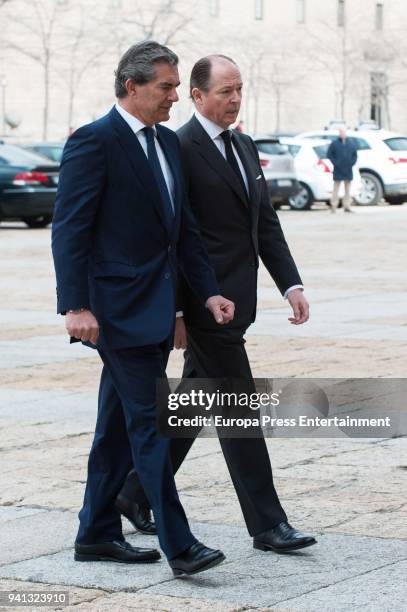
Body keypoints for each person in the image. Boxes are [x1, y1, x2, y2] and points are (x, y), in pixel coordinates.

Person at [116, 54, 317, 554]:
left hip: (237, 302)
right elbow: (173, 234)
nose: (235, 100)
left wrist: (289, 284)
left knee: (194, 401)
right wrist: (180, 310)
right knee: (238, 408)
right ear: (198, 96)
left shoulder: (245, 146)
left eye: (240, 90)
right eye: (225, 91)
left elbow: (263, 224)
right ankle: (268, 524)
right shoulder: (177, 147)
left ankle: (132, 491)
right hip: (204, 305)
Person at [51, 41, 236, 577]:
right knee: (150, 427)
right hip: (115, 314)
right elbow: (70, 230)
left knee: (114, 429)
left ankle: (95, 533)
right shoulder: (94, 141)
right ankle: (181, 546)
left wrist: (204, 293)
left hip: (156, 312)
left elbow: (185, 234)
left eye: (178, 86)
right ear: (131, 86)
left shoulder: (167, 145)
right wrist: (75, 305)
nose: (176, 96)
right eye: (167, 86)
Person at [327, 128, 358, 213]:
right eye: (341, 132)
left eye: (344, 132)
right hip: (338, 169)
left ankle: (347, 206)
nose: (342, 134)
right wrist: (335, 163)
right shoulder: (335, 143)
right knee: (336, 188)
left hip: (348, 169)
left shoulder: (351, 143)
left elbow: (355, 155)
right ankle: (333, 206)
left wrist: (351, 163)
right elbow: (329, 154)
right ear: (339, 133)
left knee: (347, 189)